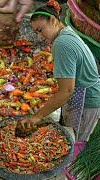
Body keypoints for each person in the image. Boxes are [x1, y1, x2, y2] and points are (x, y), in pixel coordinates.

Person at [18, 0, 100, 141]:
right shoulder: (67, 32)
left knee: (76, 141)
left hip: (87, 101)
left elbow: (66, 91)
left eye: (40, 30)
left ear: (53, 20)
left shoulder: (61, 43)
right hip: (84, 94)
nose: (39, 37)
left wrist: (36, 117)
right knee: (69, 133)